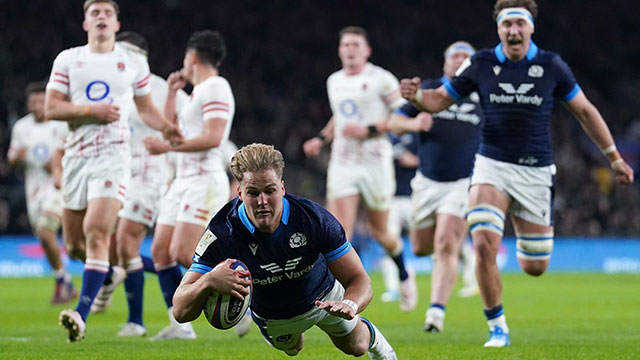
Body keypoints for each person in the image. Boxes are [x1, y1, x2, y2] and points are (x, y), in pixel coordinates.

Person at [400, 0, 634, 347]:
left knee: (535, 266)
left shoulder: (551, 65)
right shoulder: (480, 63)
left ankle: (520, 271)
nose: (513, 31)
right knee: (482, 243)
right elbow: (439, 101)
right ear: (498, 29)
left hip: (536, 171)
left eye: (519, 24)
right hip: (491, 165)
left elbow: (585, 111)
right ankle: (497, 327)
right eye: (506, 24)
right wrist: (418, 95)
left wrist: (614, 158)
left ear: (530, 28)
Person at [172, 143, 397, 359]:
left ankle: (381, 350)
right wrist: (208, 281)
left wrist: (349, 304)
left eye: (270, 191)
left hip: (324, 295)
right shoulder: (222, 233)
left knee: (356, 346)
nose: (262, 201)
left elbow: (359, 279)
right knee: (292, 348)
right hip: (273, 317)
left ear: (282, 188)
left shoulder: (314, 220)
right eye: (253, 193)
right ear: (239, 192)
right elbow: (180, 310)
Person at [45, 0, 181, 342]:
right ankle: (106, 273)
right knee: (75, 245)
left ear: (117, 24)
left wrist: (166, 128)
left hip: (114, 158)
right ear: (85, 23)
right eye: (95, 12)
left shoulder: (132, 63)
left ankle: (80, 314)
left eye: (108, 12)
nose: (101, 17)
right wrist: (92, 110)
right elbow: (51, 107)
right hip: (77, 158)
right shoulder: (68, 59)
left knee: (96, 231)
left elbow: (146, 109)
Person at [302, 26, 417, 312]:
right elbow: (339, 117)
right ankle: (339, 296)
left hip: (376, 163)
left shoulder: (381, 79)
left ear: (367, 50)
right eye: (345, 45)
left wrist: (368, 129)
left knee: (382, 233)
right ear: (340, 50)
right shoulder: (334, 81)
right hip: (343, 164)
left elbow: (403, 118)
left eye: (356, 44)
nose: (350, 49)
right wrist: (322, 138)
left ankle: (403, 272)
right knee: (339, 232)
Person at [87, 31, 188, 337]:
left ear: (140, 57)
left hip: (149, 176)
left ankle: (137, 321)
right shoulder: (116, 90)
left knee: (126, 243)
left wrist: (171, 157)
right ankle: (174, 319)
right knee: (122, 247)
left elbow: (184, 134)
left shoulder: (160, 91)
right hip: (119, 173)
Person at [142, 29, 235, 341]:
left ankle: (246, 297)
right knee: (160, 252)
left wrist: (167, 150)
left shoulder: (216, 87)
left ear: (192, 57)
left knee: (184, 252)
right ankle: (180, 326)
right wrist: (170, 94)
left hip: (203, 180)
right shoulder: (197, 92)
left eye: (185, 57)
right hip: (182, 180)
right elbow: (173, 131)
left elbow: (214, 138)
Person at [389, 41, 483, 333]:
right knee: (420, 247)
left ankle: (436, 312)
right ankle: (434, 270)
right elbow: (393, 121)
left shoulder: (482, 95)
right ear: (445, 63)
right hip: (426, 182)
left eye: (467, 56)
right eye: (455, 56)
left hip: (462, 182)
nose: (460, 60)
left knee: (446, 244)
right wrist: (415, 125)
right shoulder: (429, 91)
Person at [7, 81, 76, 304]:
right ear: (28, 104)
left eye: (41, 101)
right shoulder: (21, 127)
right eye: (33, 102)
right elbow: (12, 158)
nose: (37, 106)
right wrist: (16, 158)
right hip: (33, 190)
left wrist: (58, 166)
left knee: (47, 232)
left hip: (59, 187)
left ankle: (62, 283)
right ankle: (65, 280)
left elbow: (75, 154)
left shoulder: (62, 124)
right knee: (45, 240)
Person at [378, 131, 419, 303]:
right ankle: (393, 288)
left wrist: (414, 160)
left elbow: (428, 159)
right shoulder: (385, 137)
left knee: (429, 243)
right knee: (389, 243)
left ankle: (445, 284)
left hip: (414, 197)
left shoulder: (416, 134)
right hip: (392, 200)